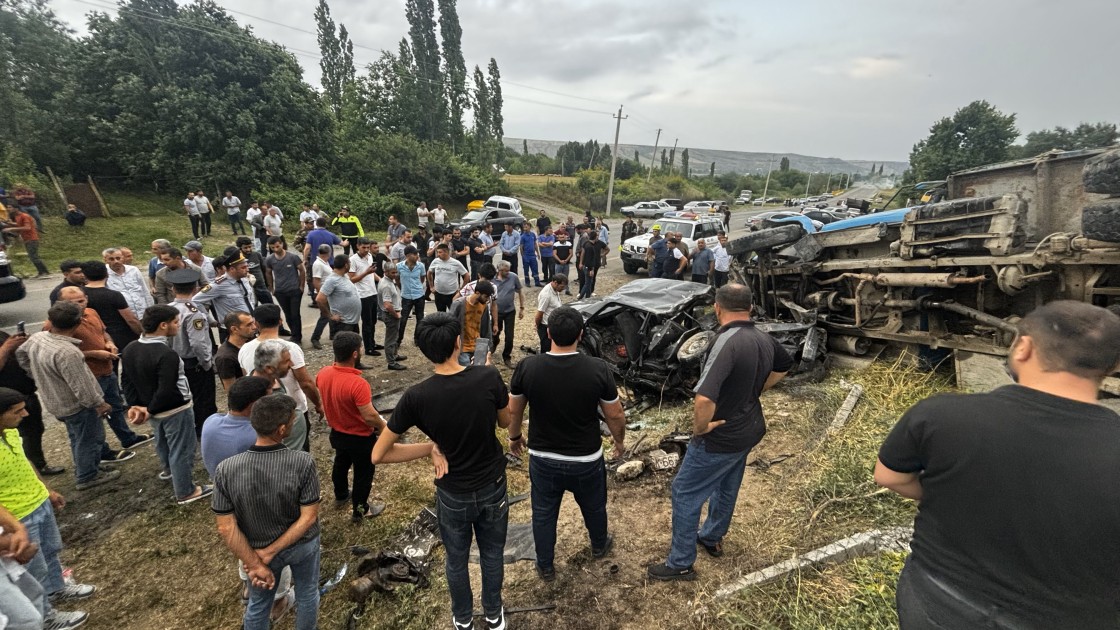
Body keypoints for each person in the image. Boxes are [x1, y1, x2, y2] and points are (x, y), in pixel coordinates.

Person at [874, 301, 1120, 629]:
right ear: (1113, 366)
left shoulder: (939, 414)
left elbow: (888, 476)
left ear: (1024, 348)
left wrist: (952, 493)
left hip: (938, 603)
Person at [372, 312, 512, 630]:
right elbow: (505, 423)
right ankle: (494, 615)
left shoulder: (416, 397)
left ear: (424, 351)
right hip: (492, 485)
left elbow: (379, 455)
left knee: (456, 558)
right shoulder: (488, 376)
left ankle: (462, 619)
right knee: (492, 553)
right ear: (458, 343)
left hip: (452, 493)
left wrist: (431, 447)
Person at [648, 284, 792, 581]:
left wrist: (701, 428)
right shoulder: (763, 337)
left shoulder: (726, 342)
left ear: (717, 308)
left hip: (720, 436)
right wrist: (756, 390)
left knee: (685, 491)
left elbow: (704, 398)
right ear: (750, 307)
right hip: (749, 429)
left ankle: (680, 562)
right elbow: (784, 365)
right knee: (727, 483)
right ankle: (712, 536)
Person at [508, 306, 626, 580]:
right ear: (581, 335)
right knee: (594, 505)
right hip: (586, 459)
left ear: (548, 333)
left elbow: (515, 410)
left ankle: (545, 565)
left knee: (543, 513)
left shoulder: (528, 367)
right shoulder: (598, 369)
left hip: (543, 458)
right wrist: (619, 442)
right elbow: (615, 414)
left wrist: (514, 437)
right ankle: (599, 545)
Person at [212, 393, 322, 630]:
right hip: (301, 545)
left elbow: (226, 527)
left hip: (257, 549)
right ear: (282, 429)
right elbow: (309, 517)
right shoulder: (303, 462)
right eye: (292, 421)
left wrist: (254, 563)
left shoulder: (225, 470)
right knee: (307, 594)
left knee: (259, 604)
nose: (294, 423)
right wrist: (271, 552)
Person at [0, 388, 95, 630]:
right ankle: (45, 616)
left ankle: (57, 588)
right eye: (16, 411)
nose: (25, 414)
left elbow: (26, 463)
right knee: (34, 570)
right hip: (19, 515)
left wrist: (47, 490)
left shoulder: (11, 432)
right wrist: (14, 526)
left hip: (39, 503)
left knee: (52, 550)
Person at [17, 301, 117, 490]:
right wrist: (99, 403)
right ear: (78, 323)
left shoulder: (37, 338)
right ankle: (87, 476)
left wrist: (35, 373)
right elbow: (82, 386)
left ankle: (88, 466)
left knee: (76, 437)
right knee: (90, 438)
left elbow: (21, 354)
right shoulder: (68, 352)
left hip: (56, 401)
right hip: (76, 405)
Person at [121, 305, 213, 505]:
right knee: (182, 449)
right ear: (163, 325)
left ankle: (169, 470)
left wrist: (136, 405)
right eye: (175, 322)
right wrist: (149, 409)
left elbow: (126, 380)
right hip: (174, 408)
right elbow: (167, 388)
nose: (178, 325)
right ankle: (186, 490)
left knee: (162, 441)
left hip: (151, 408)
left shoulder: (130, 348)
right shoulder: (166, 354)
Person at [52, 286, 151, 460]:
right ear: (60, 303)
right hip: (88, 376)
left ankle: (127, 438)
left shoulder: (92, 312)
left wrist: (109, 343)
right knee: (93, 416)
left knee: (115, 406)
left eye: (81, 300)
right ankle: (102, 452)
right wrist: (94, 354)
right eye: (71, 302)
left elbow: (103, 332)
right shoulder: (56, 324)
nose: (78, 305)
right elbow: (59, 354)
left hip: (107, 370)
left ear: (86, 298)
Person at [316, 331, 388, 522]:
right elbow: (369, 415)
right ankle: (360, 510)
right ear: (355, 354)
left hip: (337, 432)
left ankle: (341, 494)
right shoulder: (358, 384)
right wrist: (383, 426)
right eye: (361, 347)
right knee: (363, 474)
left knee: (341, 463)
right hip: (360, 438)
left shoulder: (323, 373)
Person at [238, 306, 323, 451]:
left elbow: (246, 378)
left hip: (261, 415)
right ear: (280, 321)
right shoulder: (290, 348)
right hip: (292, 414)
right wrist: (318, 403)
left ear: (256, 324)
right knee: (298, 451)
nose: (290, 364)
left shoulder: (244, 349)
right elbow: (305, 382)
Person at [0, 330, 64, 476]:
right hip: (6, 403)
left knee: (35, 430)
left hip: (25, 394)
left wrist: (19, 343)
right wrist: (7, 347)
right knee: (18, 435)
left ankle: (38, 465)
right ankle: (25, 470)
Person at [167, 267, 218, 437]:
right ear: (195, 289)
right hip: (194, 363)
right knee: (204, 400)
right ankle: (205, 431)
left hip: (175, 361)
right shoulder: (193, 312)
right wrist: (206, 362)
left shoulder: (168, 310)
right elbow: (198, 343)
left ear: (173, 289)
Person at [200, 376, 272, 478]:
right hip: (247, 485)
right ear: (254, 405)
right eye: (269, 401)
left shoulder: (211, 421)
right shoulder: (257, 436)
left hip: (219, 481)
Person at [191, 251, 258, 343]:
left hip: (249, 327)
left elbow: (250, 300)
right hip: (232, 331)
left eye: (247, 266)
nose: (247, 269)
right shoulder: (219, 285)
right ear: (232, 269)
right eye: (243, 267)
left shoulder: (244, 279)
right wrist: (210, 320)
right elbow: (195, 301)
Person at [80, 261, 143, 350]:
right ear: (107, 274)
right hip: (120, 337)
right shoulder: (114, 295)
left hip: (93, 337)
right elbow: (131, 320)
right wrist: (142, 334)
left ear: (85, 276)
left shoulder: (79, 294)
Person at [264, 236, 305, 345]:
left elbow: (302, 270)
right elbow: (268, 273)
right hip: (280, 291)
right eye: (273, 248)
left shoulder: (293, 257)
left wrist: (301, 286)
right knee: (288, 314)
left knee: (295, 314)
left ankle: (297, 337)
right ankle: (294, 334)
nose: (275, 249)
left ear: (282, 244)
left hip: (294, 290)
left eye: (277, 246)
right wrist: (271, 288)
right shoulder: (270, 259)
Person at [315, 255, 364, 343]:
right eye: (349, 263)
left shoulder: (345, 276)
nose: (350, 265)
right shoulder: (332, 280)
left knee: (354, 346)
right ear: (346, 265)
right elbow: (319, 299)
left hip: (352, 322)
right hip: (342, 324)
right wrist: (330, 316)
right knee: (344, 348)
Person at [348, 238, 383, 357]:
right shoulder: (353, 260)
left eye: (368, 247)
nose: (366, 250)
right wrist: (366, 273)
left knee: (373, 320)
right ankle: (368, 347)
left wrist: (381, 280)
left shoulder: (370, 256)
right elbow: (352, 279)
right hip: (362, 295)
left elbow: (372, 273)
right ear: (357, 246)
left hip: (372, 292)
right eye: (364, 247)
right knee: (367, 322)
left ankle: (372, 343)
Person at [449, 279, 493, 367]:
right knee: (467, 370)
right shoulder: (459, 304)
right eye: (486, 296)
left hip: (478, 346)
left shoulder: (484, 306)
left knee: (479, 370)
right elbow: (449, 325)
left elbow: (486, 328)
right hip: (462, 347)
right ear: (477, 293)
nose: (487, 299)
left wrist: (488, 346)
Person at [104, 247, 154, 318]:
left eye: (118, 258)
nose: (116, 261)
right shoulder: (104, 274)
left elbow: (144, 290)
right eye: (111, 259)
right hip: (122, 317)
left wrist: (151, 310)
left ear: (122, 258)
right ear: (105, 260)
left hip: (143, 313)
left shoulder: (134, 270)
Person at [490, 261, 523, 368]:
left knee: (509, 336)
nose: (508, 273)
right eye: (505, 271)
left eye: (509, 270)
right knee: (495, 332)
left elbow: (520, 292)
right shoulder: (492, 279)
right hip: (496, 312)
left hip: (510, 311)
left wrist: (522, 308)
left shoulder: (513, 277)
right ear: (499, 270)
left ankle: (507, 357)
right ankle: (495, 342)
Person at [2, 204, 49, 276]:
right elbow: (19, 225)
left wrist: (11, 229)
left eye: (10, 207)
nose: (8, 209)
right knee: (32, 256)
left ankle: (44, 272)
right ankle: (41, 272)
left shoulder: (24, 216)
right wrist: (9, 223)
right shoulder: (17, 216)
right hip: (26, 239)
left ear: (16, 208)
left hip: (32, 238)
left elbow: (27, 227)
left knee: (34, 256)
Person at [216, 311, 256, 391]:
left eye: (253, 323)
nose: (254, 327)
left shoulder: (251, 342)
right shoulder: (225, 358)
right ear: (234, 329)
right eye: (249, 325)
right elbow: (231, 389)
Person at [378, 265, 407, 371]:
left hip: (391, 314)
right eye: (392, 273)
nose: (395, 275)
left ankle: (394, 355)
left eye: (396, 272)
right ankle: (391, 362)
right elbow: (387, 305)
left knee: (394, 337)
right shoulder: (386, 285)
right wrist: (396, 314)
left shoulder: (388, 281)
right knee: (390, 339)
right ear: (385, 272)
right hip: (390, 315)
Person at [396, 246, 427, 347]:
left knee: (420, 318)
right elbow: (397, 279)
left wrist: (417, 287)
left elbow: (422, 278)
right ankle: (398, 340)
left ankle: (417, 339)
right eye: (415, 254)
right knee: (403, 319)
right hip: (406, 296)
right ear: (408, 255)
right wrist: (403, 289)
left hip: (419, 295)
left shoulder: (421, 266)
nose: (417, 256)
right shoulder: (399, 266)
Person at [428, 243, 468, 313]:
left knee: (453, 314)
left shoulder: (455, 263)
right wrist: (431, 287)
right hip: (439, 294)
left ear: (446, 252)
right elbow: (429, 273)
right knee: (440, 314)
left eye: (440, 252)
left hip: (452, 294)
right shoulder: (435, 261)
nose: (438, 254)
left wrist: (461, 290)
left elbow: (467, 275)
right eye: (437, 252)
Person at [308, 244, 335, 349]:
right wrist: (321, 294)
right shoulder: (318, 264)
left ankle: (333, 334)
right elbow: (316, 281)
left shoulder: (324, 262)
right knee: (325, 316)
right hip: (323, 293)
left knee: (331, 313)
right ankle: (315, 338)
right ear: (329, 253)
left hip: (327, 293)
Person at [236, 236, 274, 306]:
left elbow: (264, 270)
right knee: (254, 309)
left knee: (270, 307)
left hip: (262, 287)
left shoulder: (257, 255)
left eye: (250, 247)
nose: (248, 249)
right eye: (245, 248)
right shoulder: (238, 259)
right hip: (249, 289)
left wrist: (268, 285)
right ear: (240, 248)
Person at [535, 274, 566, 353]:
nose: (563, 289)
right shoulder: (546, 295)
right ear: (555, 283)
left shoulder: (554, 289)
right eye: (562, 287)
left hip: (553, 325)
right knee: (547, 349)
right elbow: (539, 314)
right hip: (546, 327)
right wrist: (538, 326)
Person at [577, 229, 607, 299]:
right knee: (588, 283)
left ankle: (588, 296)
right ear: (595, 237)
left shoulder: (587, 244)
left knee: (589, 282)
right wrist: (591, 269)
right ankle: (581, 296)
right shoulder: (591, 247)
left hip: (587, 266)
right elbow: (590, 260)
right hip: (589, 267)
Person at [552, 229, 574, 295]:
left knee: (566, 277)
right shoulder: (556, 244)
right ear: (558, 238)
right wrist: (560, 261)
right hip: (558, 263)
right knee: (557, 277)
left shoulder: (569, 244)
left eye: (563, 237)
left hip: (566, 263)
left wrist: (566, 260)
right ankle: (555, 290)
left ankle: (567, 290)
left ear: (565, 237)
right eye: (560, 237)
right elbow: (554, 254)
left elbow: (571, 253)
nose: (562, 239)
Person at [520, 222, 541, 286]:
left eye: (526, 226)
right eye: (524, 226)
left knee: (535, 269)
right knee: (526, 270)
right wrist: (523, 256)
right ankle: (527, 282)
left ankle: (537, 282)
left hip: (533, 255)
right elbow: (521, 247)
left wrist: (538, 253)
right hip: (526, 255)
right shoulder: (522, 236)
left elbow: (535, 244)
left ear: (529, 227)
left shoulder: (533, 235)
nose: (525, 227)